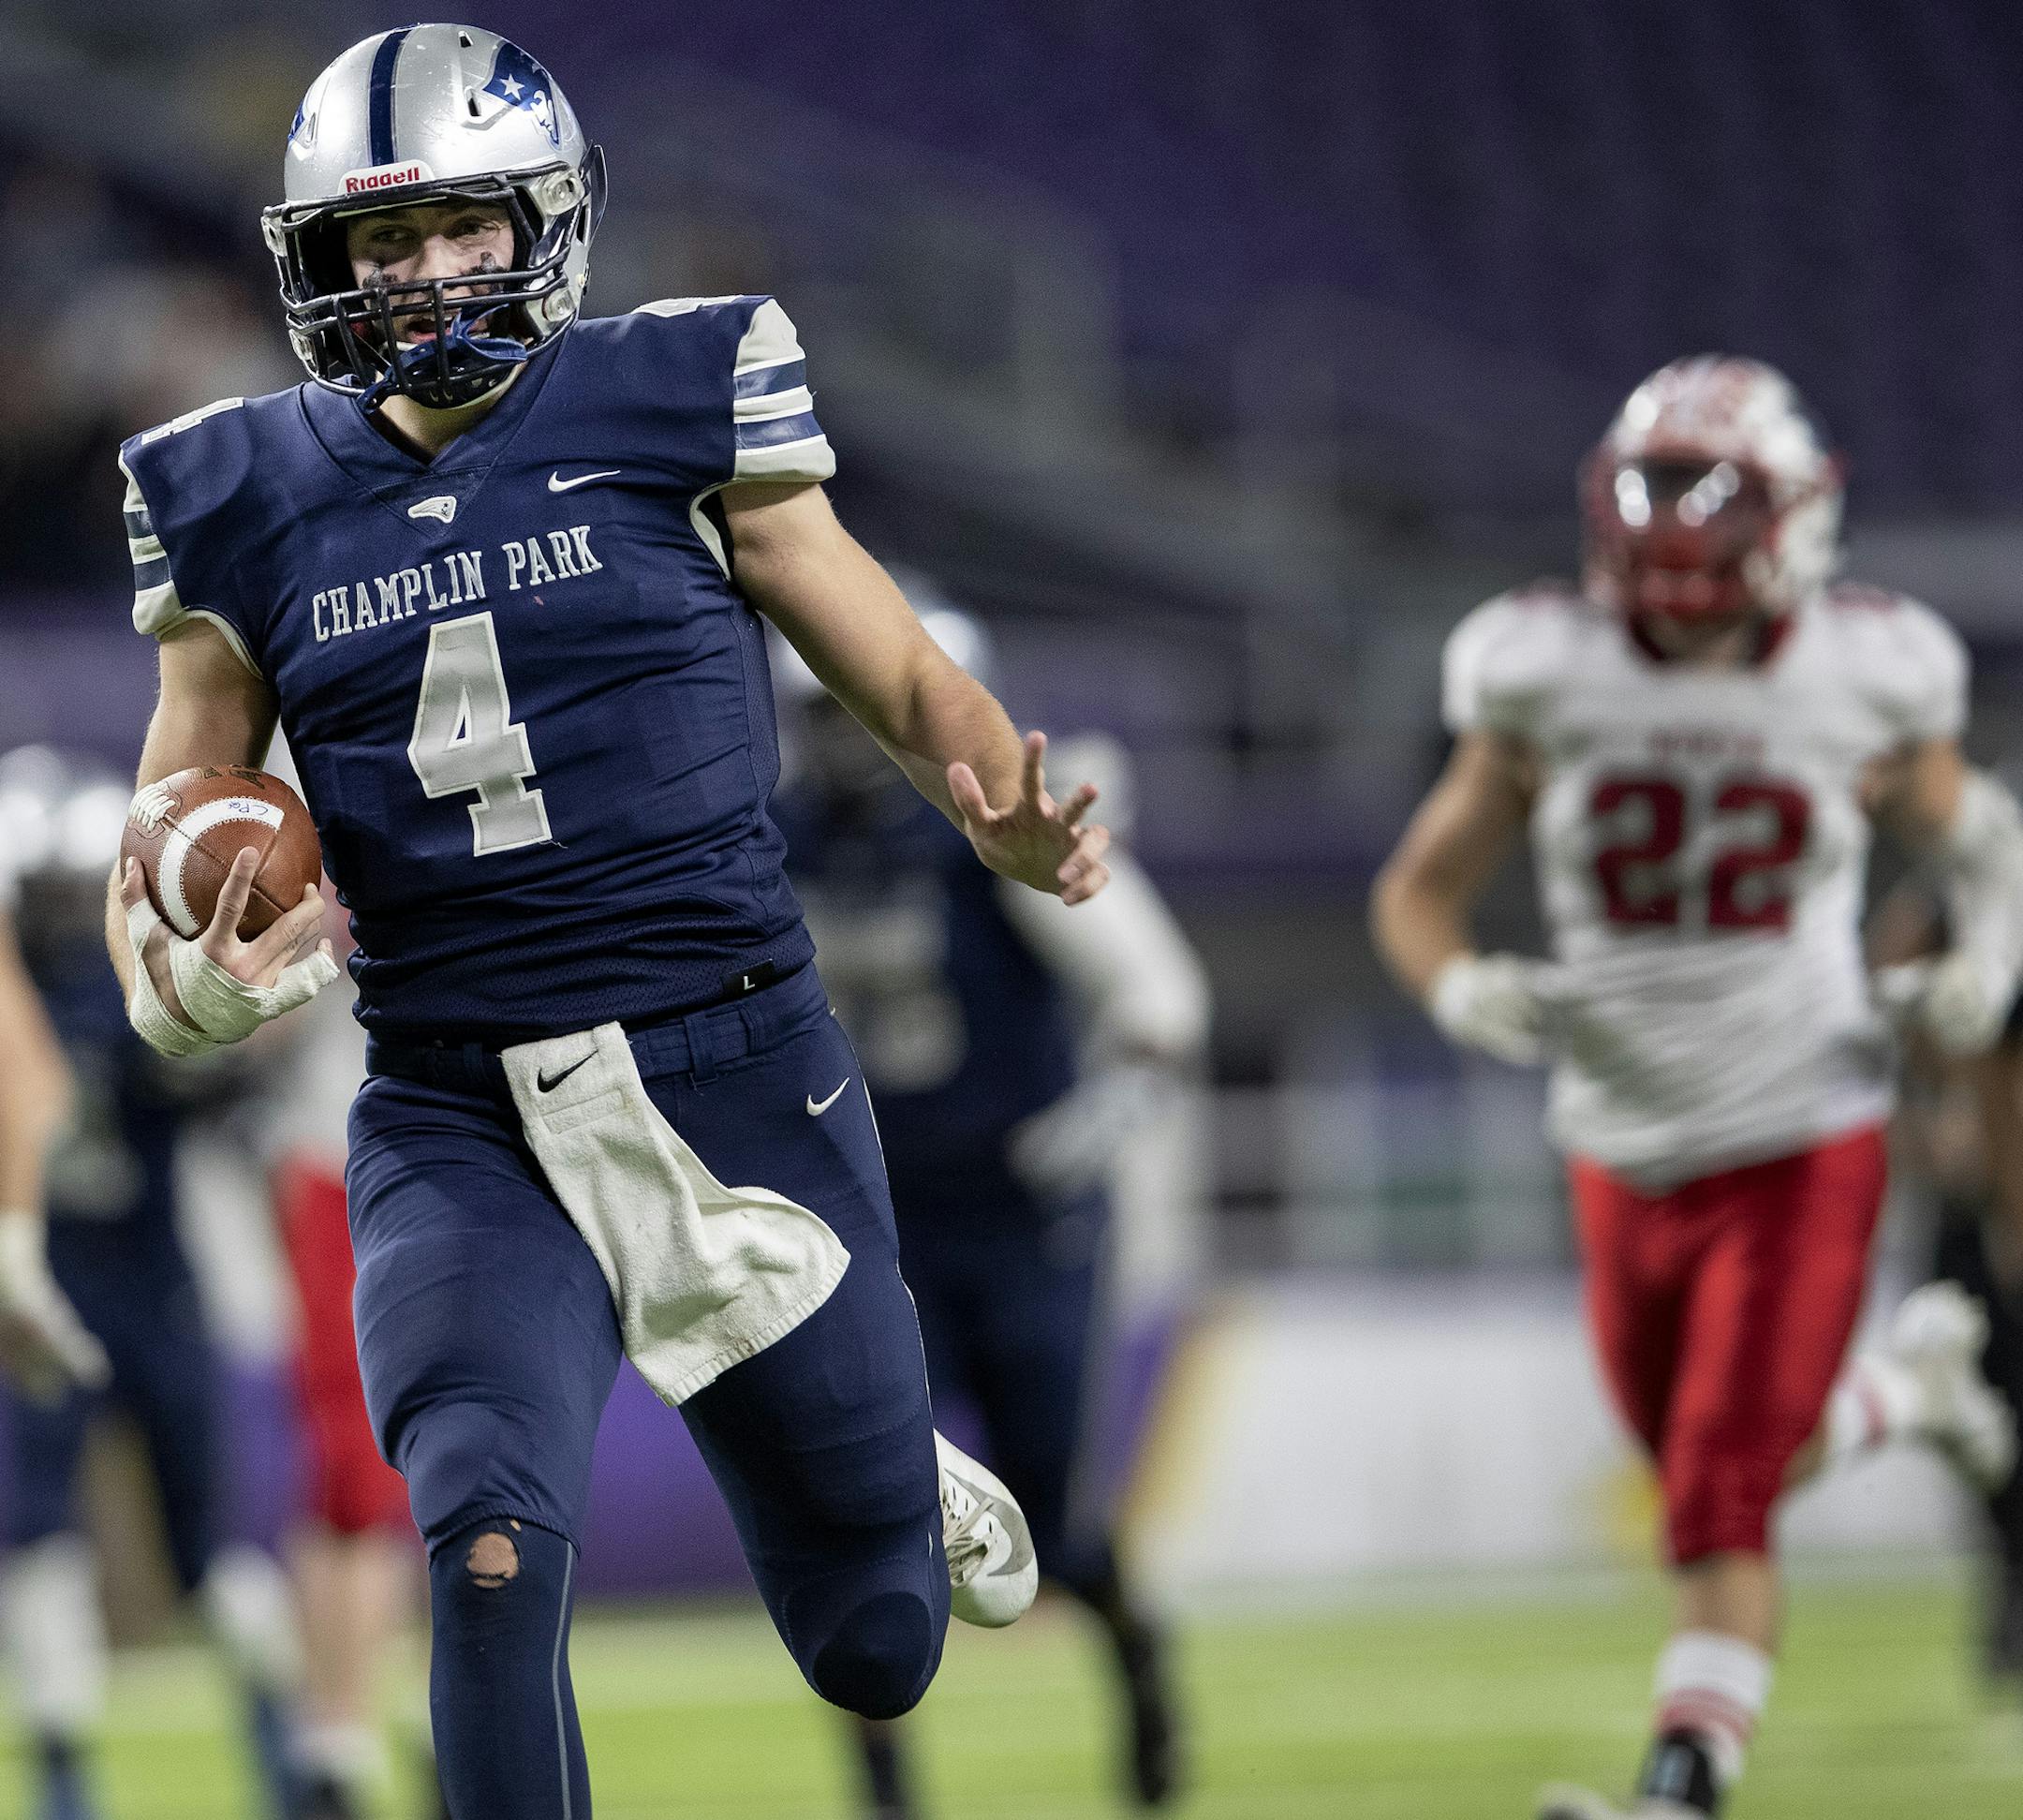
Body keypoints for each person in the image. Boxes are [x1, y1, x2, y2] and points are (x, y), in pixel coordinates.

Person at [100, 26, 1111, 1818]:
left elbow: (885, 661)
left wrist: (1001, 817)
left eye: (459, 231)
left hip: (733, 1064)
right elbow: (173, 820)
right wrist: (175, 988)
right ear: (319, 268)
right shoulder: (236, 491)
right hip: (453, 1103)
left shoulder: (680, 389)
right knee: (484, 1547)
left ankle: (873, 1455)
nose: (420, 280)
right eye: (377, 246)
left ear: (542, 226)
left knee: (877, 1641)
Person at [1369, 356, 2023, 1820]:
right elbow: (1419, 888)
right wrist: (1458, 982)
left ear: (1795, 519)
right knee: (1708, 1478)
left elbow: (1991, 841)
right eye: (1659, 491)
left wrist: (1988, 962)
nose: (1680, 539)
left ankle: (1680, 1787)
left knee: (1718, 1494)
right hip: (1614, 1129)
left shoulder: (1865, 665)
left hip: (1804, 1117)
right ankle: (1908, 1391)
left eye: (1710, 503)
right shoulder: (1545, 665)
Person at [774, 599, 1206, 1814]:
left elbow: (1162, 1006)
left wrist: (1089, 1133)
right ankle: (885, 1783)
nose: (856, 735)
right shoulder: (772, 838)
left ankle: (1138, 1664)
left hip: (1022, 1221)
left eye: (877, 704)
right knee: (863, 1520)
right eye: (827, 709)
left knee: (1053, 1530)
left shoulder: (997, 825)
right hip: (877, 1229)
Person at [0, 747, 306, 1820]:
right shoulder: (106, 990)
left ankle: (270, 1748)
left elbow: (219, 1080)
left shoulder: (77, 999)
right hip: (102, 1286)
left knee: (187, 1545)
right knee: (51, 1537)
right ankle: (80, 1763)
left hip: (103, 1286)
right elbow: (215, 1078)